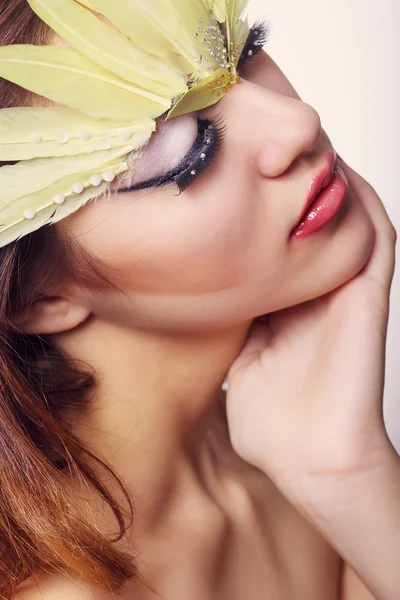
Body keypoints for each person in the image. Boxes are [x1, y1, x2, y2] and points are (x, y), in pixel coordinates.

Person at [0, 0, 398, 598]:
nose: (296, 122)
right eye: (177, 151)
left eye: (240, 49)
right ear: (36, 294)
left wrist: (346, 472)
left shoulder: (299, 465)